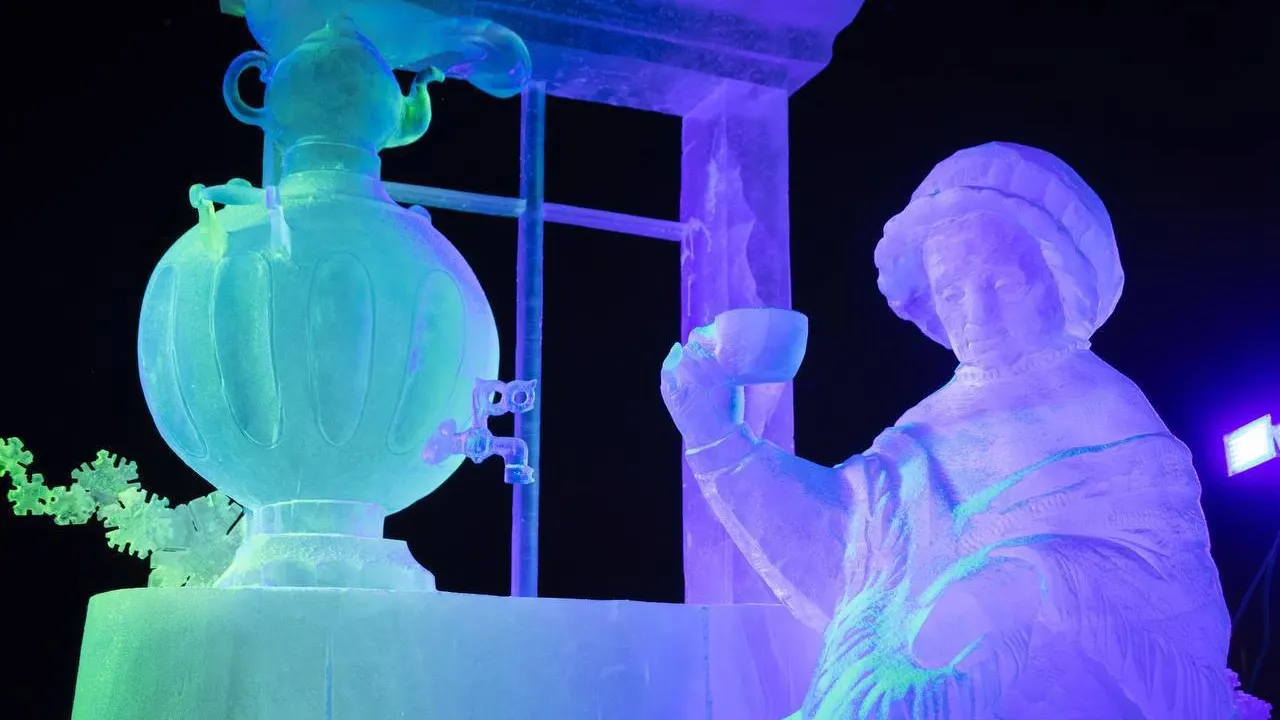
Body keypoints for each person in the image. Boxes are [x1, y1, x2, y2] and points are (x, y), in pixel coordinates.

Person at [661, 142, 1250, 719]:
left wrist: (1028, 578)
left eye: (1003, 284)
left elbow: (1167, 587)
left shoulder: (1108, 411)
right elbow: (845, 544)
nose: (976, 314)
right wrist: (720, 440)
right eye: (951, 291)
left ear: (1058, 277)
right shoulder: (928, 426)